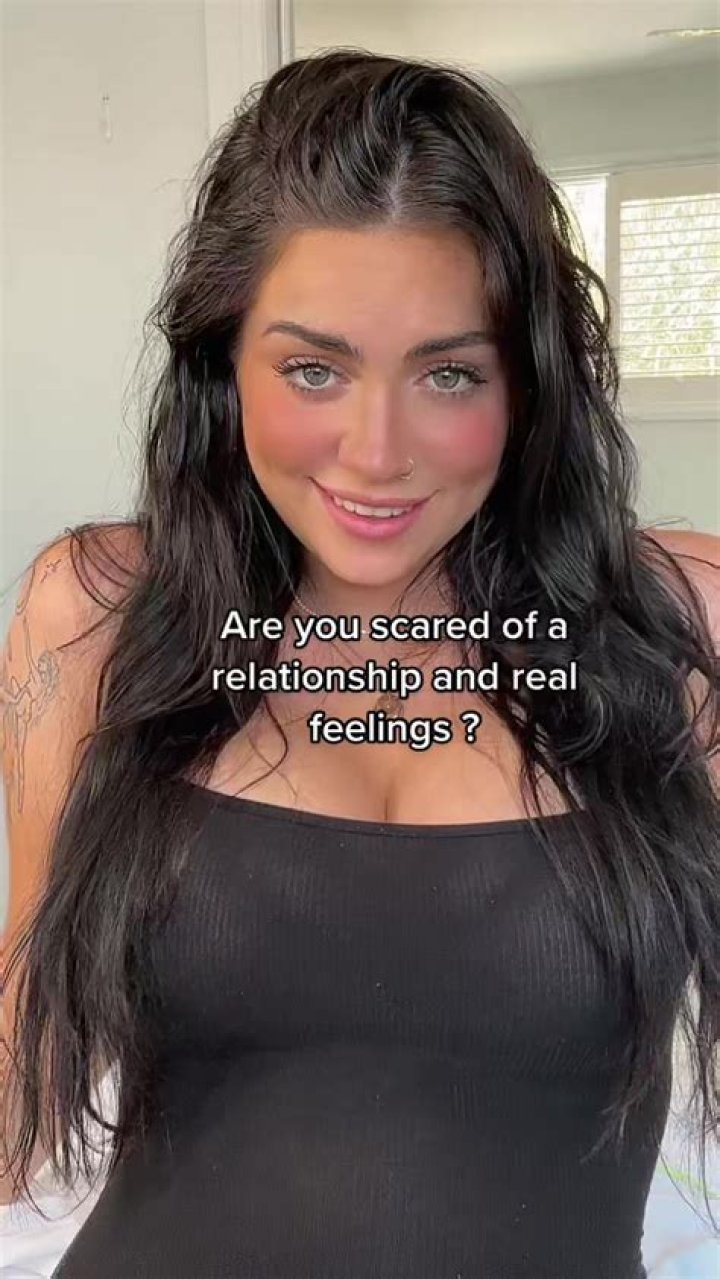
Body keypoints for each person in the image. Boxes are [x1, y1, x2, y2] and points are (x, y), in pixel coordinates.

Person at [1, 49, 718, 1279]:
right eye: (313, 369)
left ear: (528, 383)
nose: (377, 452)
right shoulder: (100, 613)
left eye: (449, 373)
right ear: (224, 364)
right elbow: (25, 1071)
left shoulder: (680, 625)